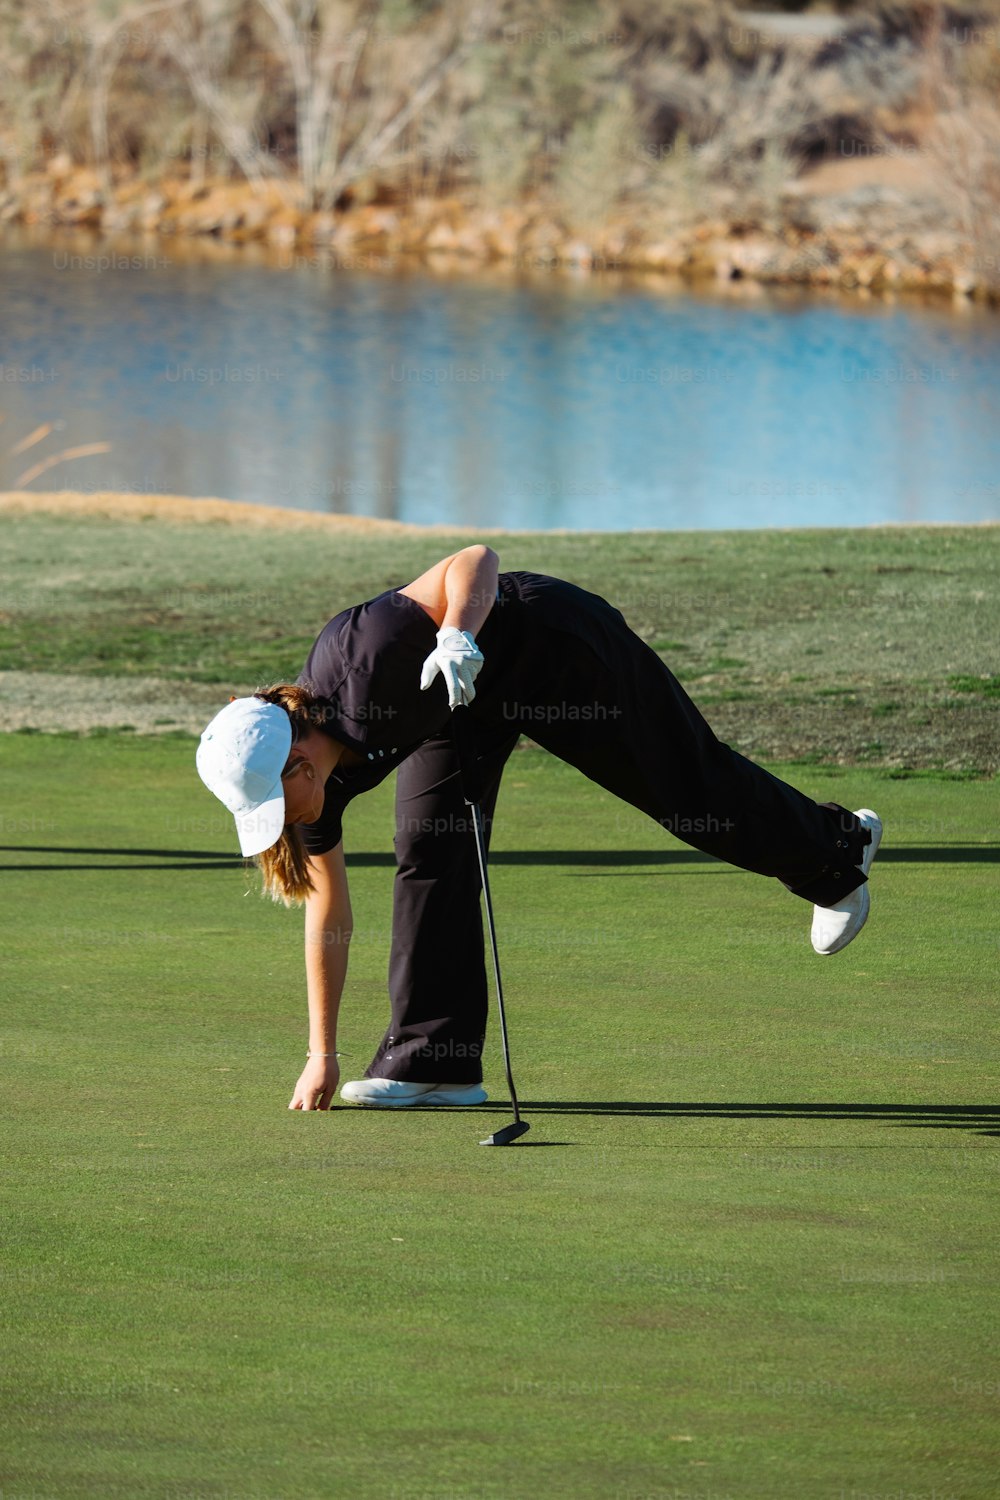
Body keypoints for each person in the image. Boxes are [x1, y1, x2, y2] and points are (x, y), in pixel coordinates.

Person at [196, 544, 882, 1113]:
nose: (281, 822)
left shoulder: (365, 657)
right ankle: (436, 1059)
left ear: (295, 760)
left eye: (274, 803)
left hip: (548, 646)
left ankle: (835, 854)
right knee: (432, 850)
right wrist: (322, 1055)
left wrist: (456, 633)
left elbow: (475, 559)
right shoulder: (319, 786)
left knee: (683, 785)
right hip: (463, 704)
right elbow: (328, 914)